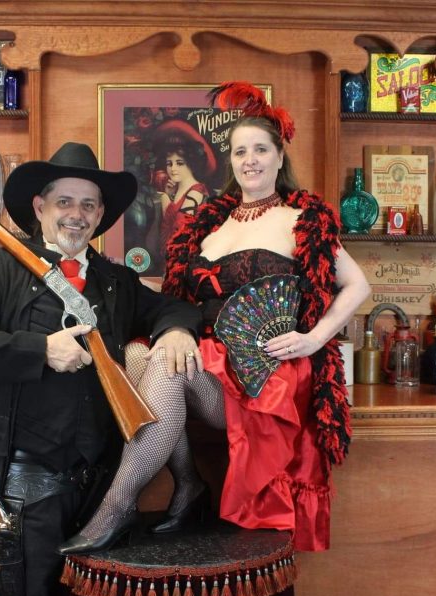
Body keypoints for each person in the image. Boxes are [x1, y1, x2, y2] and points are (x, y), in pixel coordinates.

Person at [59, 83, 372, 556]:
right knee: (142, 353)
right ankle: (187, 482)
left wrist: (313, 338)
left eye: (260, 150)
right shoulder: (209, 225)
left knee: (165, 365)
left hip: (266, 377)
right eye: (240, 151)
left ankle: (117, 506)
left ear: (279, 156)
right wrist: (107, 281)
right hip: (212, 362)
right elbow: (178, 298)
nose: (250, 160)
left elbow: (358, 285)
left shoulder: (299, 220)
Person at [0, 142, 201, 596]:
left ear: (100, 216)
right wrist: (39, 350)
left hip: (96, 495)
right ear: (40, 207)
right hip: (19, 490)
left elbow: (175, 307)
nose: (76, 214)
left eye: (88, 205)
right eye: (64, 202)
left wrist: (174, 330)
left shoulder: (114, 281)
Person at [150, 120, 216, 265]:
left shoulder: (196, 191)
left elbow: (180, 231)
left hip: (182, 263)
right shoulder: (176, 190)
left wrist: (165, 200)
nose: (173, 169)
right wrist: (169, 195)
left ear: (191, 164)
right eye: (169, 163)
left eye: (179, 163)